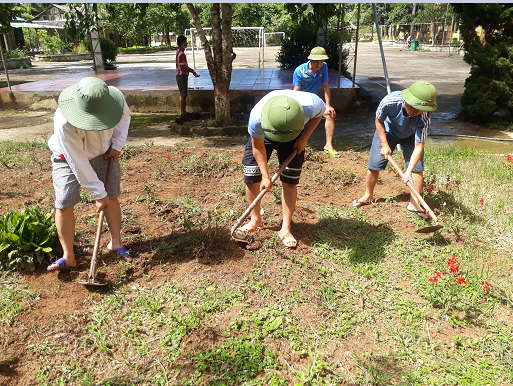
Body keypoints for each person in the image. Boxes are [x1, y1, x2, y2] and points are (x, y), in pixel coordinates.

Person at [46, 77, 132, 271]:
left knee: (112, 196)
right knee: (64, 201)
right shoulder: (64, 120)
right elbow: (78, 161)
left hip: (103, 152)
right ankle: (68, 257)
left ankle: (115, 243)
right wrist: (97, 193)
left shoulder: (116, 98)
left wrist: (117, 145)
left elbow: (124, 118)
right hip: (66, 157)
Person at [235, 90, 326, 248]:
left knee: (290, 180)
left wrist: (304, 138)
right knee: (251, 175)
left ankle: (285, 228)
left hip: (295, 134)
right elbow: (257, 147)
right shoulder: (257, 116)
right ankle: (255, 220)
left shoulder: (312, 104)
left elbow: (320, 113)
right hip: (266, 135)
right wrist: (265, 176)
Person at [351, 81, 437, 218]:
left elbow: (419, 146)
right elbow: (378, 121)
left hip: (411, 136)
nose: (417, 113)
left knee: (417, 169)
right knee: (374, 165)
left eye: (420, 110)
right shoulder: (389, 102)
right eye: (414, 109)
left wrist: (408, 172)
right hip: (388, 132)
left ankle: (414, 204)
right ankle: (368, 196)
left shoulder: (423, 116)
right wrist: (385, 145)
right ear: (407, 101)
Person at [293, 46, 338, 158]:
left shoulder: (324, 67)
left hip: (314, 98)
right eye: (316, 61)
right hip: (301, 100)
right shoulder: (299, 70)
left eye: (321, 61)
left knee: (329, 114)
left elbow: (326, 86)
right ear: (311, 60)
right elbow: (296, 92)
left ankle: (328, 145)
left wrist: (328, 105)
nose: (319, 64)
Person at [176, 35, 199, 116]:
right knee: (183, 94)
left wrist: (191, 71)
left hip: (181, 75)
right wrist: (192, 71)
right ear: (182, 43)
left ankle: (183, 111)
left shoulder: (179, 52)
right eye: (186, 42)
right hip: (182, 75)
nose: (187, 43)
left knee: (183, 94)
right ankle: (183, 112)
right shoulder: (181, 54)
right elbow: (183, 67)